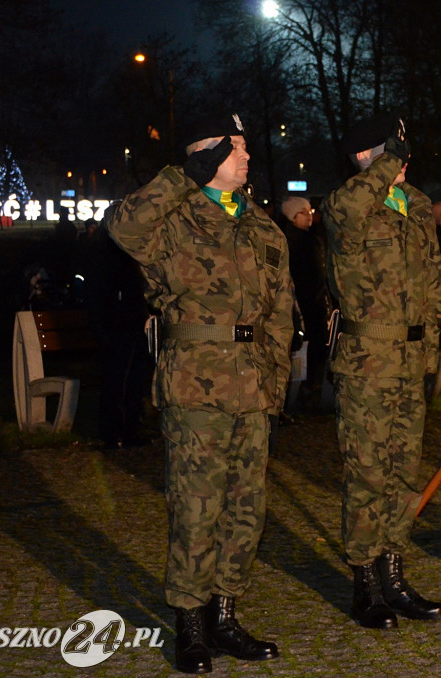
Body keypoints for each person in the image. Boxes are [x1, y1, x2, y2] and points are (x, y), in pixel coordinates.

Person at [108, 113, 291, 674]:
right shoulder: (171, 216)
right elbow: (122, 227)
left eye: (244, 145)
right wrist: (181, 175)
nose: (246, 156)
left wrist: (276, 385)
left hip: (253, 381)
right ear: (204, 154)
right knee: (196, 506)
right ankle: (189, 622)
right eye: (233, 147)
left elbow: (281, 312)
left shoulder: (262, 226)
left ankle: (225, 615)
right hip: (196, 381)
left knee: (245, 506)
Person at [321, 114, 441, 630]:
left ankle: (395, 575)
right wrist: (385, 160)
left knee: (402, 475)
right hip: (368, 363)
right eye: (390, 150)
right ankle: (365, 583)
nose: (403, 159)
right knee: (367, 475)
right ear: (363, 158)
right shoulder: (344, 204)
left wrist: (433, 351)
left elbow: (434, 284)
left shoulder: (415, 205)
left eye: (403, 149)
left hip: (410, 362)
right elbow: (350, 208)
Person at [85, 205, 152, 449]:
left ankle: (125, 428)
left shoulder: (113, 247)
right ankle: (119, 429)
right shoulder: (111, 249)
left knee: (129, 377)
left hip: (126, 319)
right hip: (119, 320)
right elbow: (103, 289)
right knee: (121, 377)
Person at [279, 196, 327, 412]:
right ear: (292, 216)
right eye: (303, 212)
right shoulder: (291, 242)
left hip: (315, 303)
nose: (309, 216)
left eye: (310, 211)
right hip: (302, 304)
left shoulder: (312, 239)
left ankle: (308, 393)